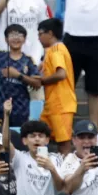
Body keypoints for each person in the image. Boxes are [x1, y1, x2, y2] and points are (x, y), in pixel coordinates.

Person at [0, 24, 43, 129]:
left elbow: (37, 83)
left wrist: (18, 75)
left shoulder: (28, 61)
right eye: (12, 35)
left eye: (19, 35)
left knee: (19, 138)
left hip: (21, 109)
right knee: (0, 137)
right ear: (6, 39)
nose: (16, 38)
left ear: (24, 39)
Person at [37, 18, 75, 155]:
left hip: (61, 104)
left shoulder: (57, 50)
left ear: (50, 33)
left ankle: (66, 173)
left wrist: (41, 81)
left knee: (64, 144)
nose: (38, 38)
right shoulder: (52, 51)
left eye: (40, 34)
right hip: (51, 104)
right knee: (39, 136)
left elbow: (61, 74)